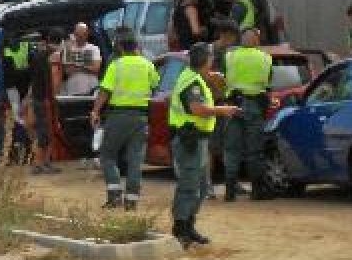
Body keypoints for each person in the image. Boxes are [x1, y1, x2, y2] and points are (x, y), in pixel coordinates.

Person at [169, 42, 240, 248]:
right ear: (206, 60)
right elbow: (197, 108)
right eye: (210, 57)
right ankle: (180, 228)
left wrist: (214, 79)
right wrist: (223, 110)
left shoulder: (195, 77)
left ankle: (189, 226)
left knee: (199, 187)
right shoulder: (191, 81)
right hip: (189, 139)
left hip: (197, 139)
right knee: (189, 186)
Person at [91, 29, 159, 209]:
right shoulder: (148, 64)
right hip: (141, 118)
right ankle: (132, 201)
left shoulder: (117, 65)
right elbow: (155, 85)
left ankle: (114, 196)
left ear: (120, 47)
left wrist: (95, 111)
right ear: (137, 46)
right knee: (136, 160)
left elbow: (105, 91)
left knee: (107, 155)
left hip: (118, 116)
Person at [222, 28, 274, 201]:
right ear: (257, 41)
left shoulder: (230, 56)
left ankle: (230, 191)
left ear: (241, 40)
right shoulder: (265, 58)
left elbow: (223, 80)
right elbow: (268, 83)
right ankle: (257, 190)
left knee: (231, 149)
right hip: (254, 106)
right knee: (254, 150)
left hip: (233, 105)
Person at [208, 20, 240, 199]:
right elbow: (205, 76)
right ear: (226, 35)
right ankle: (208, 186)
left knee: (229, 145)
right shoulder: (208, 52)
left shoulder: (231, 54)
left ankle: (232, 182)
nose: (235, 42)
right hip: (211, 106)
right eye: (234, 38)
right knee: (211, 148)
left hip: (226, 104)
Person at [26, 29, 62, 175]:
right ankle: (39, 164)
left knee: (42, 132)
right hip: (42, 99)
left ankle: (42, 163)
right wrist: (49, 98)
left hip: (39, 98)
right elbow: (47, 82)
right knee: (43, 132)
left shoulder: (38, 56)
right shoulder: (43, 58)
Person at [59, 23, 102, 96]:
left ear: (87, 34)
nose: (80, 37)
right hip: (73, 91)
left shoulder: (94, 48)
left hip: (92, 90)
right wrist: (87, 64)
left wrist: (76, 65)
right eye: (78, 35)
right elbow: (68, 71)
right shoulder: (68, 49)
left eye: (83, 35)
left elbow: (96, 68)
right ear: (74, 34)